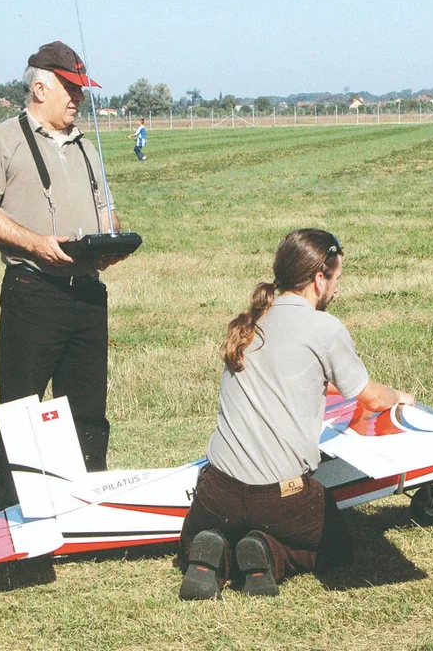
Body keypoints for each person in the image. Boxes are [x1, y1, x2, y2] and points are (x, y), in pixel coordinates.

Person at [177, 229, 414, 600]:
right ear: (319, 279)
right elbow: (370, 397)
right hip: (280, 496)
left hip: (217, 489)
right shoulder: (324, 328)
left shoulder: (250, 323)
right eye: (336, 279)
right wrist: (399, 395)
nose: (337, 289)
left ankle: (209, 554)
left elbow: (299, 376)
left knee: (216, 522)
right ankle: (268, 554)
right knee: (335, 543)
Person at [0, 40, 125, 502]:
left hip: (88, 293)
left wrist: (112, 239)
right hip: (32, 290)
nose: (79, 100)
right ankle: (22, 506)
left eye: (82, 90)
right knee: (23, 405)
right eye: (70, 90)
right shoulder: (1, 142)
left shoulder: (87, 148)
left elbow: (107, 214)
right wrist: (35, 243)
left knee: (89, 407)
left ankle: (89, 499)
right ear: (39, 87)